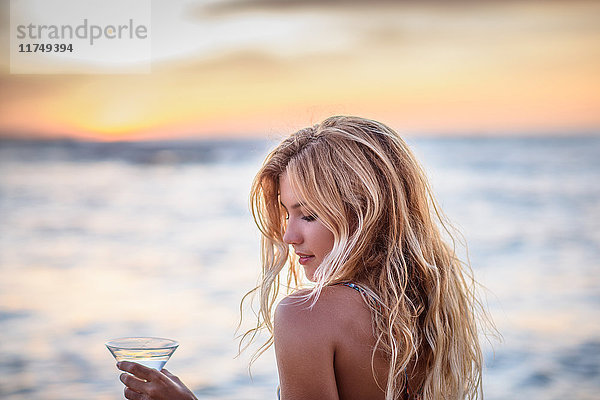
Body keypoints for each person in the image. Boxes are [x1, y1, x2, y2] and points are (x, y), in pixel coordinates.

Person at [118, 115, 491, 399]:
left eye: (308, 215)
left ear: (364, 212)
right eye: (286, 214)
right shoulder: (431, 306)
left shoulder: (307, 315)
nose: (288, 236)